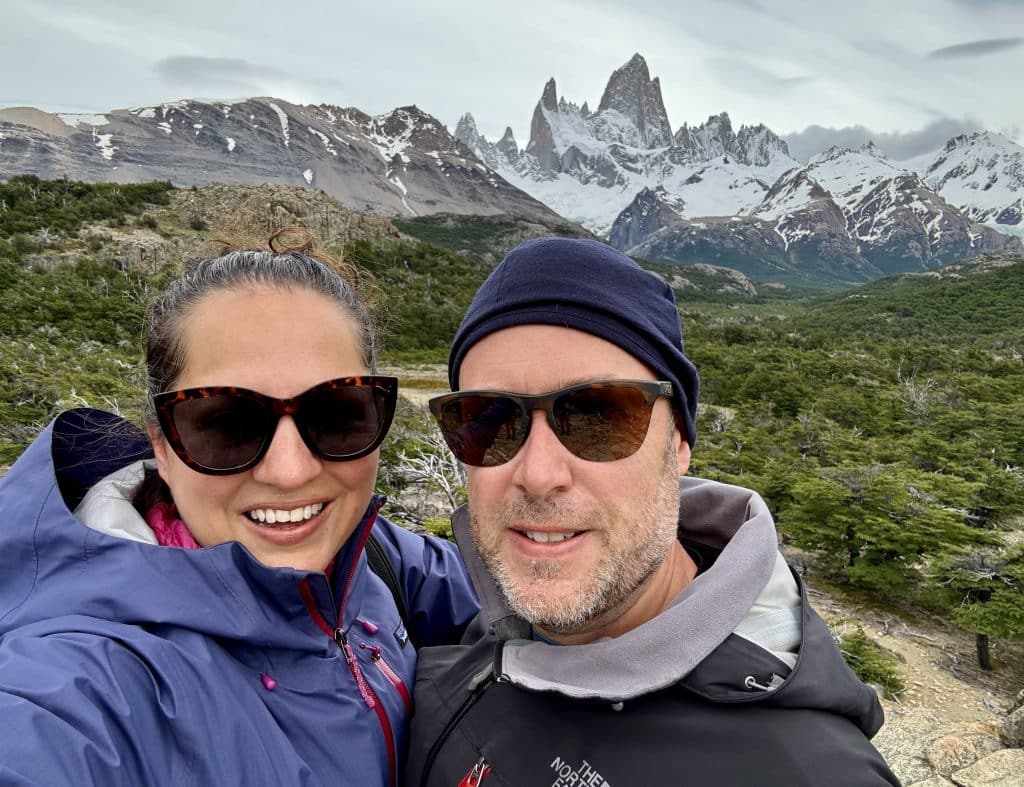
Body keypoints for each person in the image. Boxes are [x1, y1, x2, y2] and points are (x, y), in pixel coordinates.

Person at [405, 237, 899, 786]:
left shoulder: (811, 772)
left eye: (598, 415)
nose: (538, 474)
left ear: (680, 442)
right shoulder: (491, 617)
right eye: (487, 420)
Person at [0, 234, 479, 786]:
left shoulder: (364, 555)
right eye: (226, 424)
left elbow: (485, 576)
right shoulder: (91, 682)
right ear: (162, 446)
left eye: (336, 414)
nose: (290, 471)